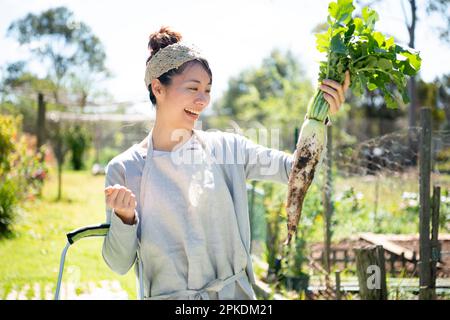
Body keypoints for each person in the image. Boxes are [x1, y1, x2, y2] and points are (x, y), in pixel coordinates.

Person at [102, 26, 350, 300]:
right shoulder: (125, 169)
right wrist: (125, 219)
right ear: (158, 88)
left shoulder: (227, 148)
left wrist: (320, 117)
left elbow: (293, 170)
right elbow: (118, 263)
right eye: (193, 88)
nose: (203, 100)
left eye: (207, 90)